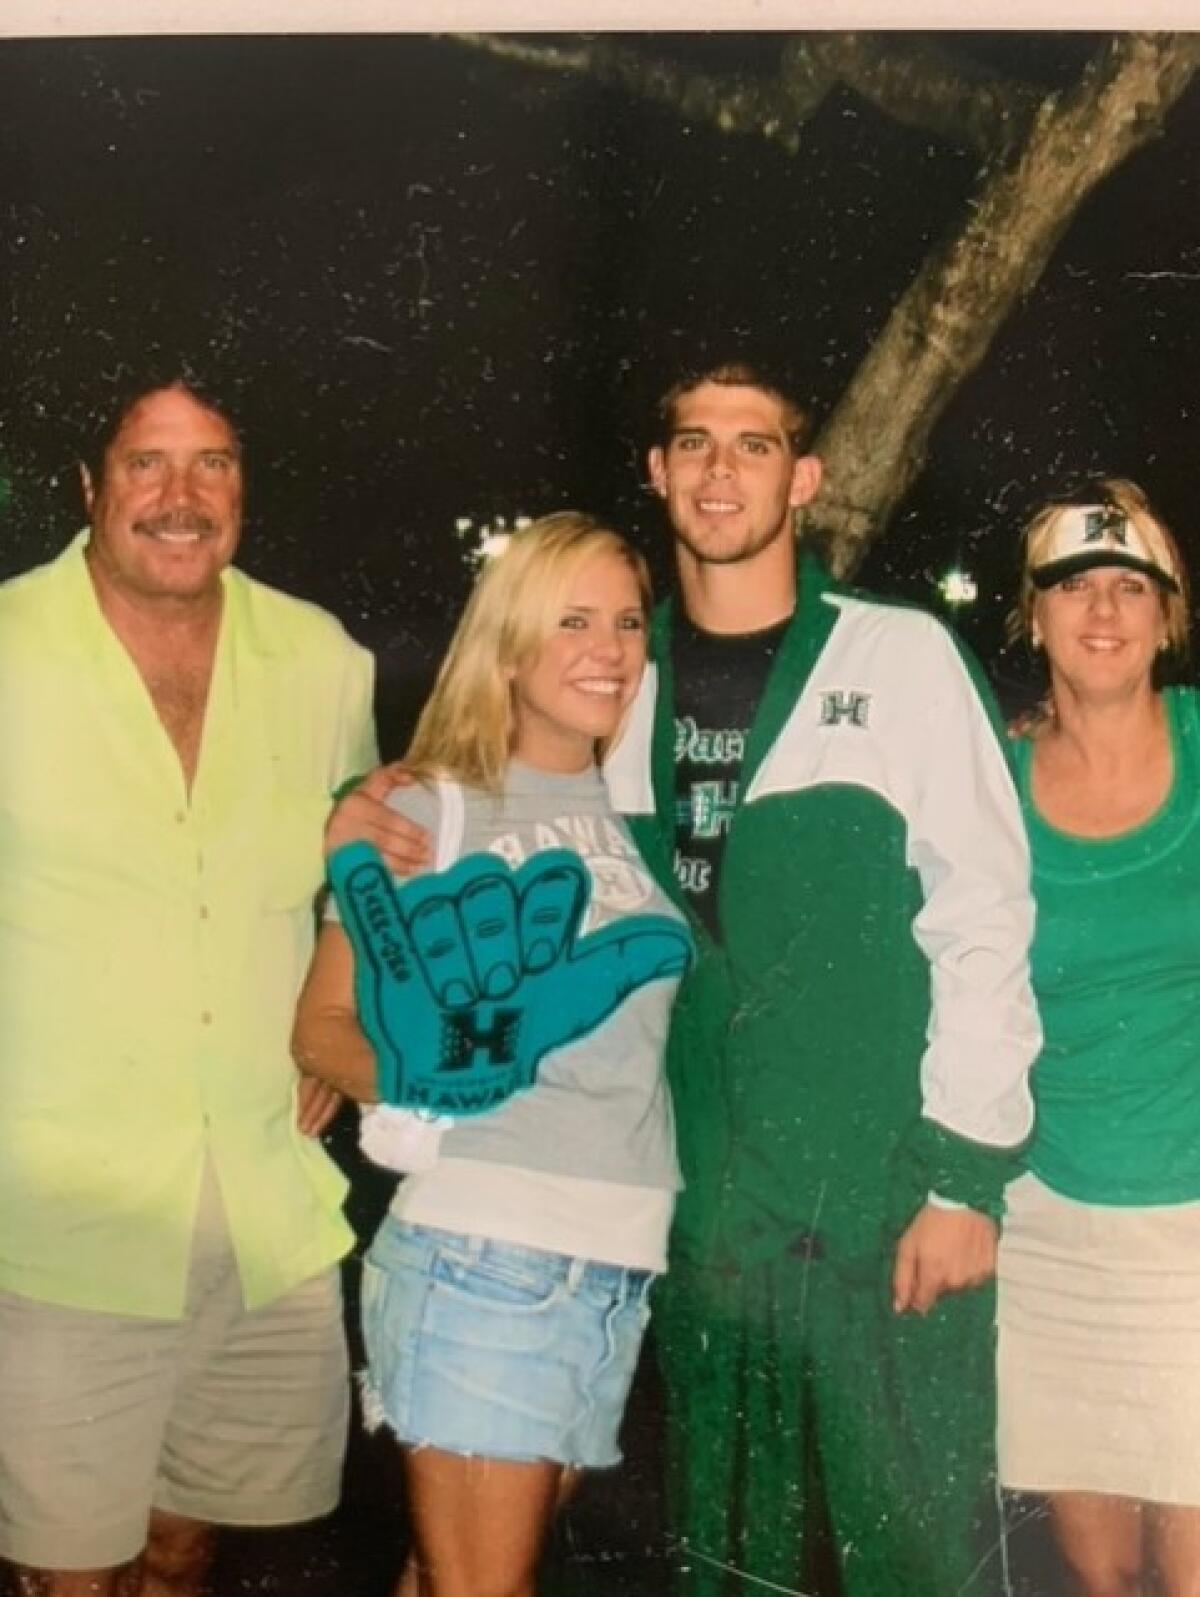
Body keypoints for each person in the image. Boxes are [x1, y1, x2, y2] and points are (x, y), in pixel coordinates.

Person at [598, 361, 1042, 1595]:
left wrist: (964, 1174)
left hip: (883, 1218)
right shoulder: (615, 683)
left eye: (754, 445)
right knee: (731, 1556)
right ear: (658, 471)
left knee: (905, 1554)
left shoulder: (897, 659)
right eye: (694, 442)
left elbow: (985, 914)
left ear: (805, 478)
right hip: (715, 1230)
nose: (720, 470)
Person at [0, 375, 377, 1595]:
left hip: (262, 1208)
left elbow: (362, 880)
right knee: (68, 1571)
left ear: (243, 487)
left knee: (187, 1547)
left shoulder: (319, 656)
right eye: (146, 464)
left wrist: (338, 1020)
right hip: (58, 1220)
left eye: (210, 462)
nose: (179, 496)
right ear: (91, 486)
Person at [293, 512, 692, 1597]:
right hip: (487, 1258)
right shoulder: (429, 806)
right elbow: (323, 1029)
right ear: (510, 642)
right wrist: (431, 1081)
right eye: (571, 620)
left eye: (623, 621)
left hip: (612, 1265)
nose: (608, 648)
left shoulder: (628, 811)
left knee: (447, 1576)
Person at [997, 480, 1200, 1597]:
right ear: (1035, 616)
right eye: (1075, 586)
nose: (1105, 610)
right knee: (1100, 1577)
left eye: (1132, 586)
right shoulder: (991, 775)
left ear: (1170, 616)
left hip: (1197, 1229)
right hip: (1051, 1228)